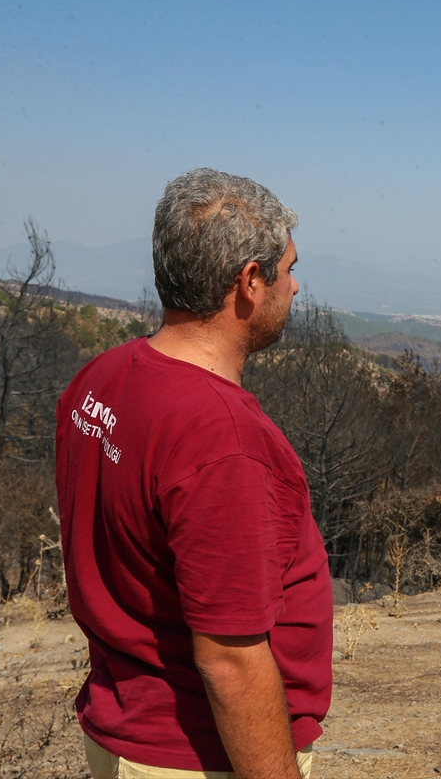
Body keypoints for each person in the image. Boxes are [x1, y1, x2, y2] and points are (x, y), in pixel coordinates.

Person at [55, 168, 332, 778]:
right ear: (250, 283)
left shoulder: (101, 379)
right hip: (196, 756)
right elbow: (230, 658)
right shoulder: (223, 442)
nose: (296, 287)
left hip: (124, 727)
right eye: (288, 269)